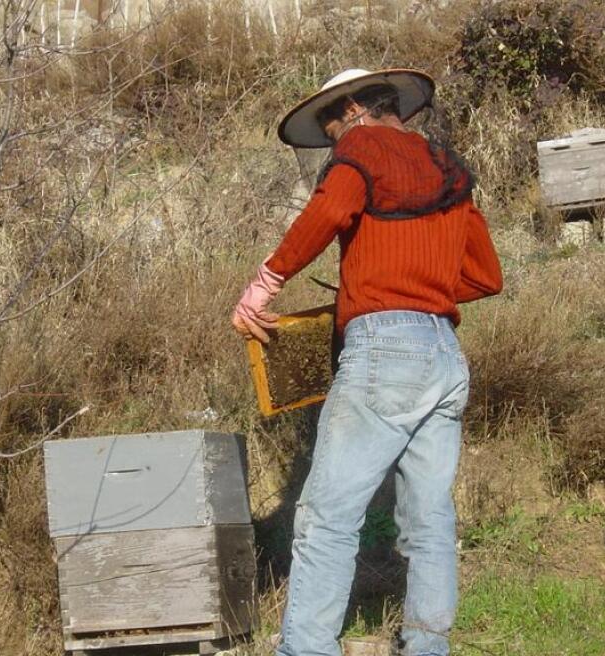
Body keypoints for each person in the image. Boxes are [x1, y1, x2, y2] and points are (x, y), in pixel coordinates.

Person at [232, 68, 503, 656]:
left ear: (354, 110)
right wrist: (415, 283)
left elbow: (328, 213)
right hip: (444, 358)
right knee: (429, 522)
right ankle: (428, 647)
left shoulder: (361, 146)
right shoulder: (447, 166)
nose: (334, 138)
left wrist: (265, 283)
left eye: (333, 126)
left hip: (385, 350)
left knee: (327, 520)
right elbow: (485, 275)